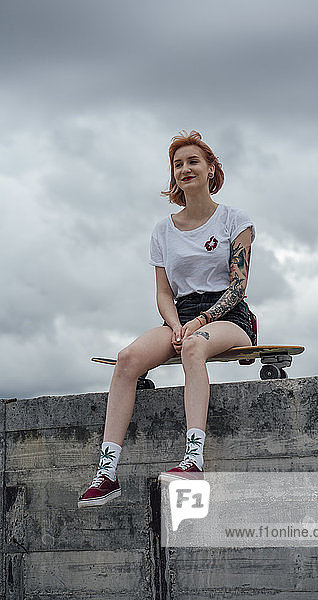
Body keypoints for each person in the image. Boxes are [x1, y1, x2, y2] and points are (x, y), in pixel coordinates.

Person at [78, 130, 256, 508]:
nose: (184, 169)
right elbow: (163, 291)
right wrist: (175, 323)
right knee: (127, 359)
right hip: (182, 315)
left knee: (193, 347)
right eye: (178, 164)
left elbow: (237, 288)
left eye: (193, 161)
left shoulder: (234, 220)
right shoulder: (163, 229)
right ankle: (106, 474)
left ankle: (193, 461)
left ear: (211, 169)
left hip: (228, 316)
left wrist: (199, 322)